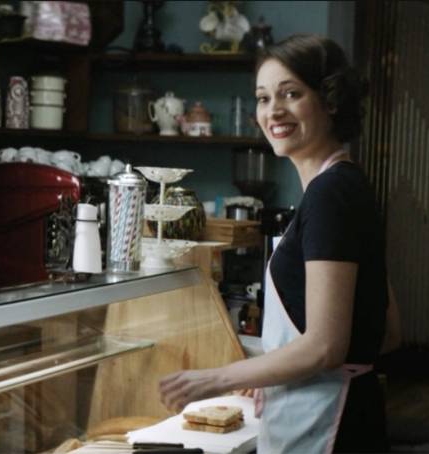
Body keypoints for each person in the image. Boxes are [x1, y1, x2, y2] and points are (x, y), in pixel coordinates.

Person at [159, 34, 401, 453]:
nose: (274, 111)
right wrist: (282, 373)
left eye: (291, 93)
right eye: (263, 97)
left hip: (331, 428)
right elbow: (389, 331)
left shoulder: (330, 196)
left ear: (330, 100)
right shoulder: (345, 185)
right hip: (349, 414)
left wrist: (218, 378)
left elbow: (325, 345)